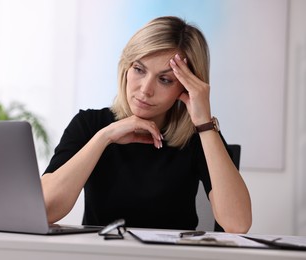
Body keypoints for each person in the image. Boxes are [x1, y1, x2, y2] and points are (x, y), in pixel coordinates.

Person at [41, 16, 252, 233]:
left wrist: (204, 123)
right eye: (139, 69)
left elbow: (238, 223)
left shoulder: (196, 135)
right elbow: (45, 210)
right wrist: (105, 137)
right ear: (126, 67)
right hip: (103, 254)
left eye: (165, 79)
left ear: (187, 87)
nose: (145, 89)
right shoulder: (90, 124)